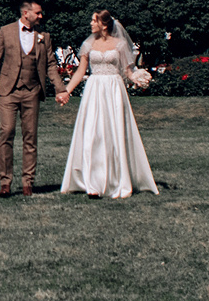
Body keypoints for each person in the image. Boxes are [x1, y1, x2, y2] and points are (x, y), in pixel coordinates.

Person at [58, 10, 159, 199]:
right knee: (92, 134)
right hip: (94, 90)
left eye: (93, 20)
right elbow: (80, 71)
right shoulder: (88, 44)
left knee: (113, 133)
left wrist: (139, 78)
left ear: (103, 24)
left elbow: (128, 72)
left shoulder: (120, 45)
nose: (90, 23)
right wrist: (67, 91)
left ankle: (116, 179)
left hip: (114, 90)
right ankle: (92, 183)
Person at [0, 0, 66, 197]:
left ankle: (28, 182)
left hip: (32, 92)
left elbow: (51, 65)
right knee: (7, 132)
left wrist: (60, 89)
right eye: (38, 13)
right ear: (25, 14)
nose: (41, 16)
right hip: (8, 91)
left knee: (30, 137)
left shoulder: (43, 36)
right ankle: (5, 181)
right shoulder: (6, 31)